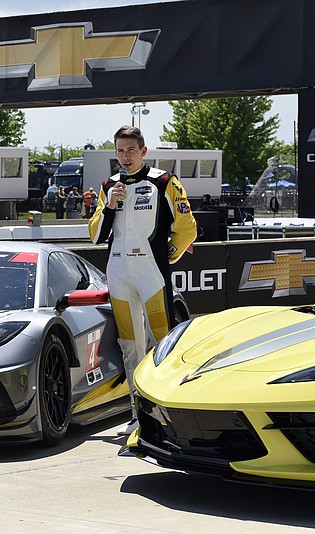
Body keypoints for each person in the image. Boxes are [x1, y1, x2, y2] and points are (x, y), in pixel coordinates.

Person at [88, 125, 197, 436]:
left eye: (131, 151)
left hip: (152, 275)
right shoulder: (109, 185)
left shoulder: (163, 181)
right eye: (120, 151)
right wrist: (110, 205)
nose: (126, 157)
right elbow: (95, 234)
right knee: (130, 348)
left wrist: (166, 258)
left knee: (163, 344)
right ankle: (139, 416)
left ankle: (171, 414)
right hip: (119, 275)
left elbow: (187, 226)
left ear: (144, 151)